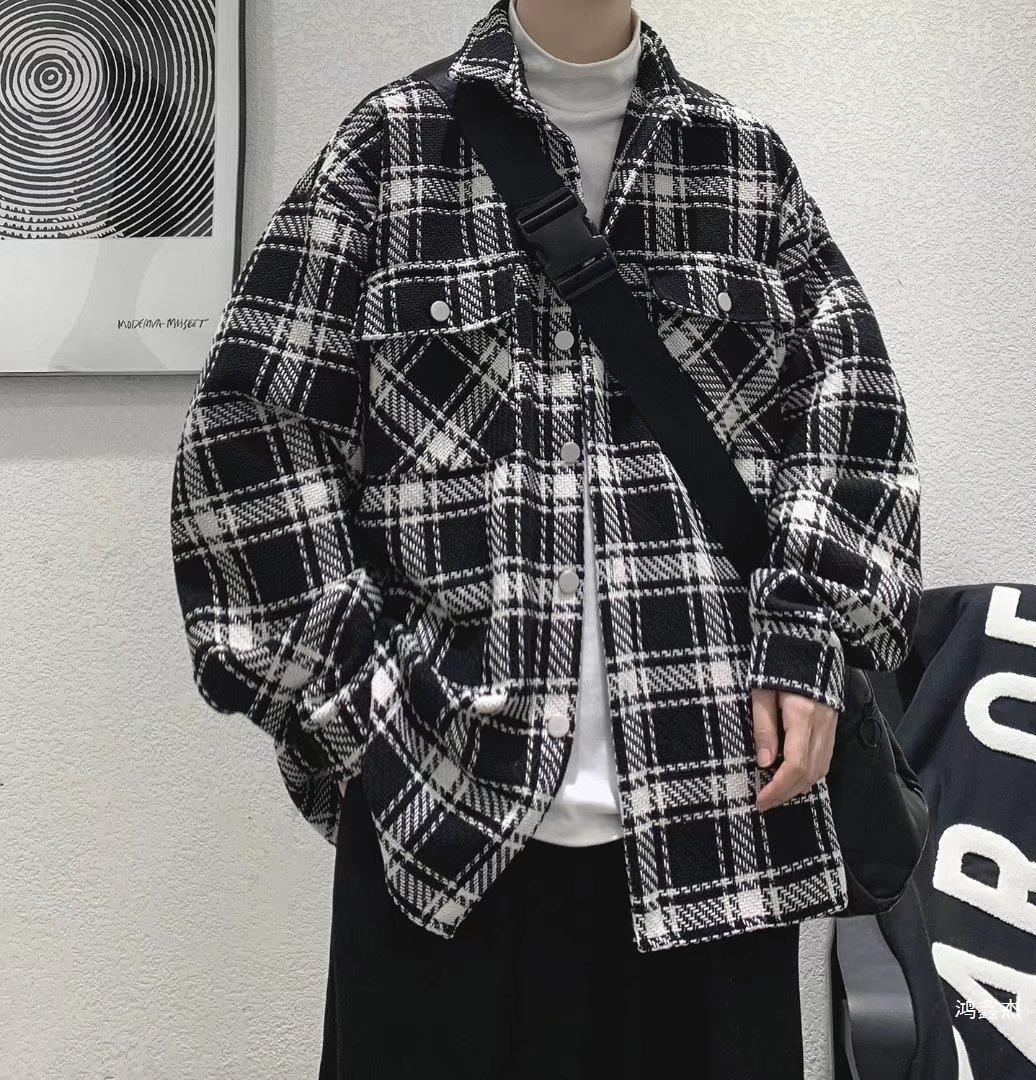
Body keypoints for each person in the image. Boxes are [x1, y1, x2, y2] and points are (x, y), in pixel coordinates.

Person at [169, 0, 923, 1075]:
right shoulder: (388, 151)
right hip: (444, 839)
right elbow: (248, 441)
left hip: (717, 835)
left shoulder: (744, 166)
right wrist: (363, 718)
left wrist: (806, 634)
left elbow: (858, 419)